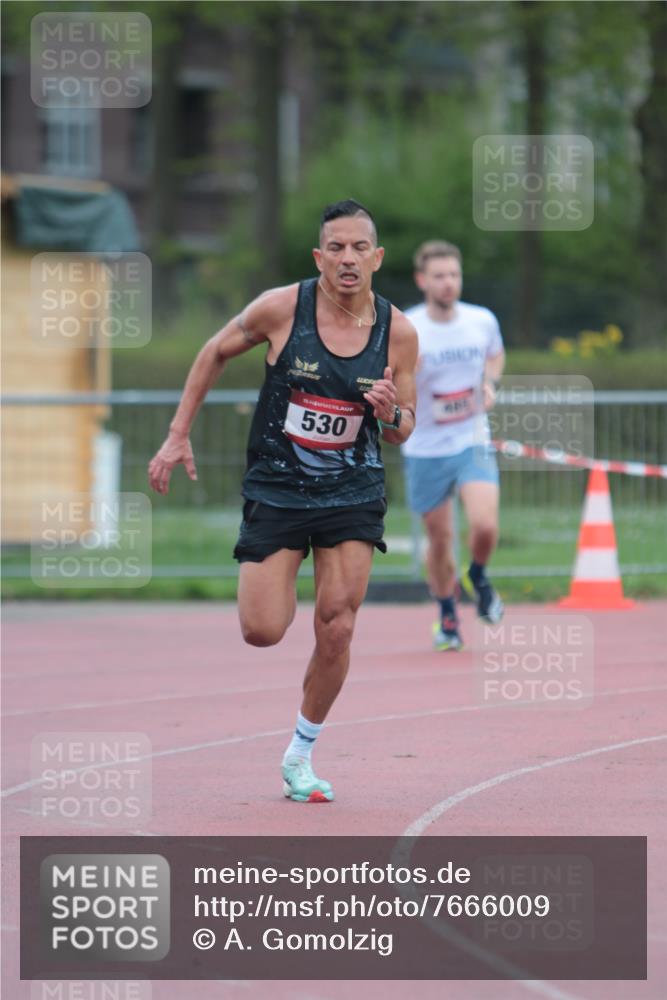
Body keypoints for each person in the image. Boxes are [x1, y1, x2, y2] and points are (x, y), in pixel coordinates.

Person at [148, 199, 417, 802]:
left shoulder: (397, 331)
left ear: (377, 257)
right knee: (263, 630)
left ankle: (301, 753)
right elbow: (213, 351)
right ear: (320, 257)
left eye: (359, 248)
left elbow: (405, 426)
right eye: (336, 249)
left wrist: (390, 412)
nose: (348, 259)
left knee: (338, 627)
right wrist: (176, 435)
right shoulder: (281, 308)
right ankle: (281, 577)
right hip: (278, 488)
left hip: (353, 490)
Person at [401, 240, 505, 651]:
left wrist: (489, 384)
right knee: (439, 538)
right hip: (425, 446)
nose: (448, 283)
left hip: (471, 438)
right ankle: (447, 612)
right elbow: (385, 379)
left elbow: (496, 356)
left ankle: (477, 575)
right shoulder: (407, 328)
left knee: (485, 524)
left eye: (454, 275)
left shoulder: (481, 320)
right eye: (439, 276)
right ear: (422, 280)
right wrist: (406, 372)